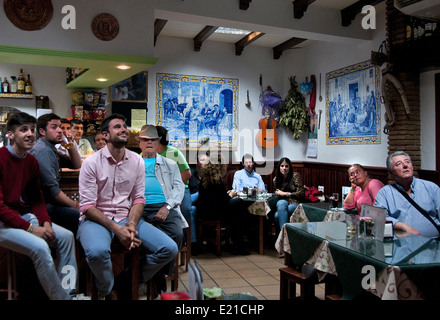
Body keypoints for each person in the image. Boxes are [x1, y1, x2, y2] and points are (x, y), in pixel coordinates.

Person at [77, 114, 178, 300]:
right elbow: (87, 206)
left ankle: (124, 283)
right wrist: (117, 229)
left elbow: (138, 199)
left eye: (125, 126)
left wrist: (131, 224)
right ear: (105, 135)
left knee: (169, 248)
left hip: (126, 217)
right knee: (98, 252)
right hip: (95, 219)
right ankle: (108, 291)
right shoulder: (91, 162)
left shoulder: (136, 160)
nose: (124, 129)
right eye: (117, 127)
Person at [0, 112, 77, 300]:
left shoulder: (30, 161)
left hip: (23, 218)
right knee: (41, 247)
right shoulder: (1, 159)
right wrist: (31, 228)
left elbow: (37, 199)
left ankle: (70, 291)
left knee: (67, 237)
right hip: (3, 222)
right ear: (10, 134)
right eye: (23, 130)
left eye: (32, 130)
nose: (30, 134)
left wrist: (46, 223)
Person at [137, 124, 187, 287]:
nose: (149, 142)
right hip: (140, 207)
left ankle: (154, 272)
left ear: (158, 142)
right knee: (136, 239)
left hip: (164, 205)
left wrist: (167, 207)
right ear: (139, 143)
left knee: (177, 234)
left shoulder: (170, 164)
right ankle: (156, 274)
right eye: (145, 140)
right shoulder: (132, 164)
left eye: (153, 139)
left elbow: (179, 188)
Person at [29, 113, 82, 234]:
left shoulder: (50, 148)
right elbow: (53, 192)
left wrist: (69, 144)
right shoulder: (43, 151)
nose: (60, 131)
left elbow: (76, 165)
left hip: (50, 205)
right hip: (44, 208)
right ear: (42, 131)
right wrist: (76, 205)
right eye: (54, 127)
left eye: (60, 127)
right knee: (84, 216)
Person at [374, 151, 440, 239]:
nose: (405, 165)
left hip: (433, 245)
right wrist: (401, 225)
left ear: (412, 167)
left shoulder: (431, 188)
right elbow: (379, 216)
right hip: (401, 246)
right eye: (398, 164)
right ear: (391, 172)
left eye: (407, 162)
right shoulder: (385, 193)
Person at [156, 126, 192, 238]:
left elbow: (187, 173)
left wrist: (175, 188)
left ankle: (183, 238)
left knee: (185, 209)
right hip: (159, 191)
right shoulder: (145, 155)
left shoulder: (175, 153)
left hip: (180, 189)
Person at [229, 153, 266, 255]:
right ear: (242, 163)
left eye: (250, 162)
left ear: (253, 163)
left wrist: (257, 191)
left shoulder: (257, 176)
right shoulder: (238, 174)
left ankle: (259, 243)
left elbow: (262, 190)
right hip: (241, 203)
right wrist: (251, 190)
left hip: (255, 202)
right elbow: (236, 189)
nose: (249, 164)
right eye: (246, 163)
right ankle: (238, 242)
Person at [273, 157, 305, 231]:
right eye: (282, 166)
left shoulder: (295, 176)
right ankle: (284, 234)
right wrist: (276, 193)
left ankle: (283, 234)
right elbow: (276, 193)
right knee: (281, 204)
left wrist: (285, 194)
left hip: (294, 203)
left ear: (289, 167)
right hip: (282, 203)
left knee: (277, 215)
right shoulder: (276, 179)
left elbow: (301, 193)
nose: (284, 168)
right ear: (279, 167)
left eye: (286, 166)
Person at [188, 150, 209, 248]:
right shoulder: (190, 173)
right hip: (192, 202)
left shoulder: (211, 174)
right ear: (197, 161)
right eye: (202, 160)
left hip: (206, 203)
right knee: (192, 209)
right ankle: (193, 243)